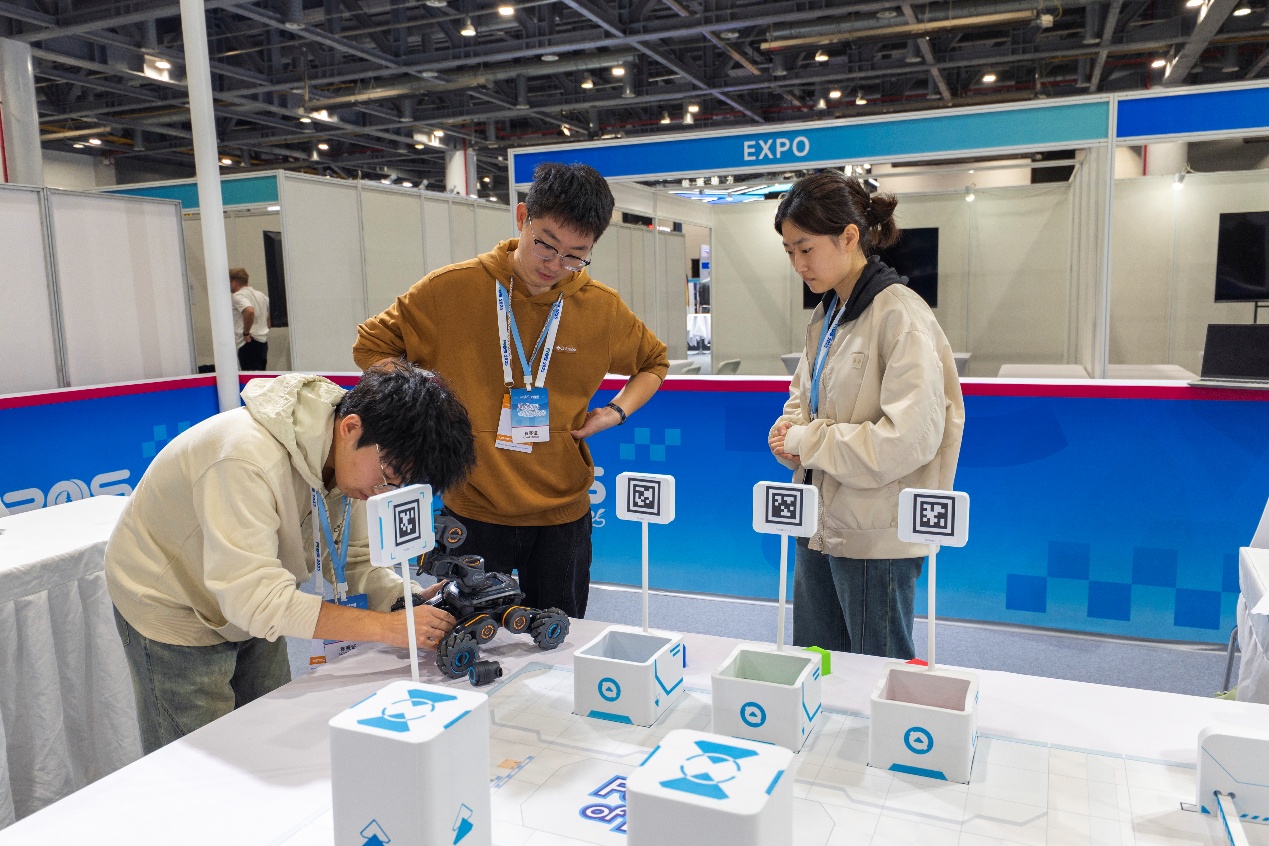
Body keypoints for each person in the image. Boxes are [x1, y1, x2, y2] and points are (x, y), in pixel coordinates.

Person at [353, 162, 669, 619]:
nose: (554, 265)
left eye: (575, 255)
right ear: (522, 218)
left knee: (557, 637)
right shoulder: (451, 289)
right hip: (474, 507)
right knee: (470, 635)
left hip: (562, 514)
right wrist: (426, 404)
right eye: (545, 244)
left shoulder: (600, 307)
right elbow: (371, 345)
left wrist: (615, 412)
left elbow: (654, 362)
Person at [106, 363, 476, 752]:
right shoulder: (244, 458)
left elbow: (354, 559)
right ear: (351, 428)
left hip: (259, 591)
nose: (385, 491)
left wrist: (404, 601)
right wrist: (387, 628)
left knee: (268, 726)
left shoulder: (356, 463)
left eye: (402, 485)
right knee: (200, 757)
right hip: (173, 600)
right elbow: (256, 600)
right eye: (389, 476)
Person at [767, 171, 965, 659]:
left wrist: (807, 440)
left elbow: (907, 439)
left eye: (806, 248)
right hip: (819, 522)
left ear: (849, 236)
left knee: (876, 671)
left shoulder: (899, 314)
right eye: (789, 251)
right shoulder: (829, 313)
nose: (797, 264)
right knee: (819, 665)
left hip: (875, 535)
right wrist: (788, 428)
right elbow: (804, 397)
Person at [230, 267, 270, 370]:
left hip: (248, 342)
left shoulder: (238, 296)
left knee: (250, 377)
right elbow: (269, 316)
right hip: (262, 342)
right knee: (260, 376)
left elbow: (249, 311)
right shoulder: (261, 295)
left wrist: (246, 333)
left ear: (233, 282)